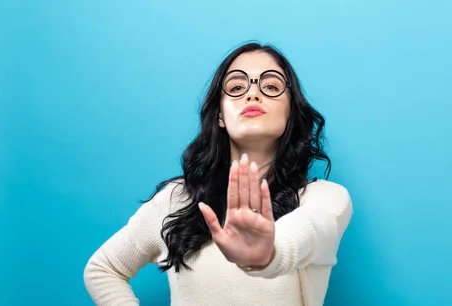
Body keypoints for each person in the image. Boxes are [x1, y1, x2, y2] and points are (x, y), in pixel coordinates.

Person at [83, 41, 353, 306]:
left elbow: (305, 231)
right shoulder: (177, 200)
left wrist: (267, 253)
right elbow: (102, 269)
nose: (253, 94)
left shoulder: (326, 199)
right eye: (237, 86)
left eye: (271, 86)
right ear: (220, 116)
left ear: (291, 112)